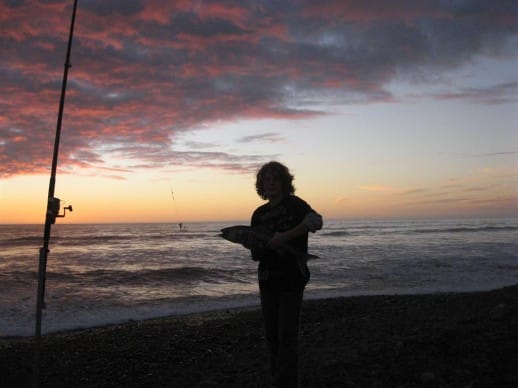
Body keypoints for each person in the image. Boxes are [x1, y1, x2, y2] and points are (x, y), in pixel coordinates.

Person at [250, 161, 323, 387]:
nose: (270, 183)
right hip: (267, 281)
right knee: (272, 339)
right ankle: (280, 382)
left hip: (292, 280)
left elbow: (316, 221)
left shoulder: (295, 205)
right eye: (266, 179)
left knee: (287, 339)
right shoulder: (258, 214)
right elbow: (256, 255)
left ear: (284, 182)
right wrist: (253, 244)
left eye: (275, 179)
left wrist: (285, 236)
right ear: (261, 184)